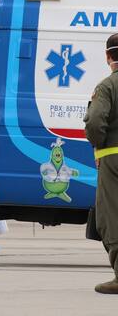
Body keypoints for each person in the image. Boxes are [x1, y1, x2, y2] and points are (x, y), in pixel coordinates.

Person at [84, 33, 118, 294]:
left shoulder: (107, 86)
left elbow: (95, 122)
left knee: (111, 216)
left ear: (108, 56)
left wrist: (98, 146)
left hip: (113, 159)